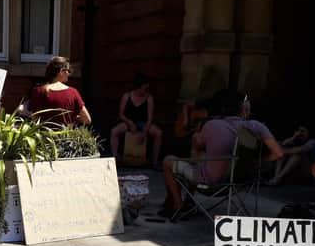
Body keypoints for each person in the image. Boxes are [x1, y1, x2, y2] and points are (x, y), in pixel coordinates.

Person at [160, 89, 283, 218]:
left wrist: (199, 136)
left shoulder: (211, 125)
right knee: (202, 158)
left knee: (168, 160)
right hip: (239, 182)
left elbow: (196, 146)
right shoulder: (257, 126)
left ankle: (178, 205)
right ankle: (188, 202)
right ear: (242, 109)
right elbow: (278, 154)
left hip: (210, 184)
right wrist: (257, 162)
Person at [110, 73, 163, 168]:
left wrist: (144, 132)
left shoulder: (149, 98)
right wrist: (129, 123)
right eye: (144, 87)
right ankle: (115, 158)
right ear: (139, 87)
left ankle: (155, 162)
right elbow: (121, 114)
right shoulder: (127, 96)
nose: (146, 90)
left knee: (158, 133)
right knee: (114, 131)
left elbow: (150, 118)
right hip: (129, 122)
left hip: (143, 123)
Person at [28, 56, 92, 127]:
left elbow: (34, 118)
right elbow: (87, 119)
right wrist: (72, 117)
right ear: (61, 71)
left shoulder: (38, 91)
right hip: (65, 136)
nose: (69, 74)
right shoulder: (73, 92)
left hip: (44, 136)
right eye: (68, 70)